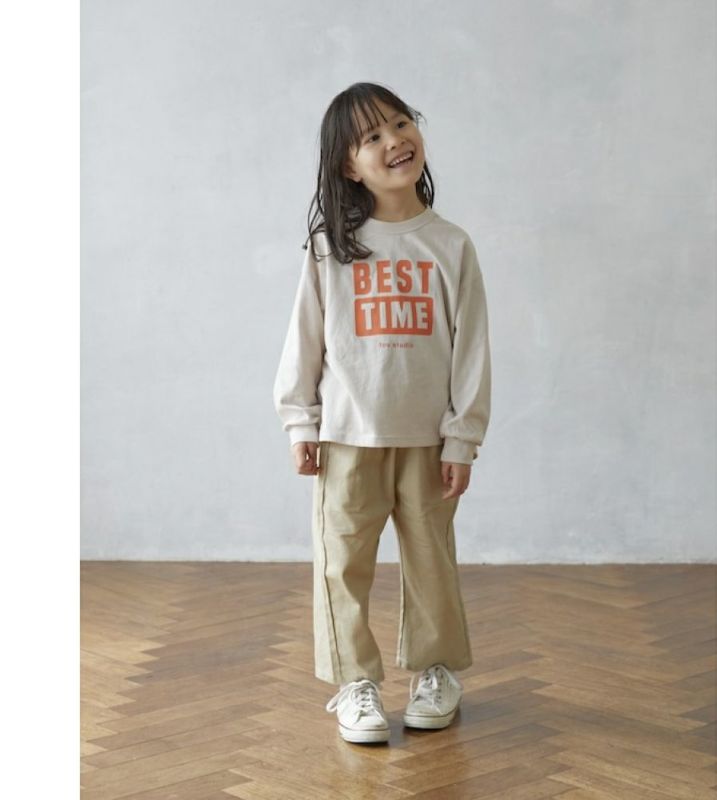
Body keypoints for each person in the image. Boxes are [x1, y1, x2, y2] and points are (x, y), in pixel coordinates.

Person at [273, 82, 491, 745]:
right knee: (341, 563)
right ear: (348, 164)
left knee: (431, 561)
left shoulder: (450, 244)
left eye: (400, 123)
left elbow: (471, 350)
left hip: (428, 440)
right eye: (372, 136)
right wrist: (300, 421)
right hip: (347, 436)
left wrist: (462, 438)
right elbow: (305, 338)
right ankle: (354, 681)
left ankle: (435, 672)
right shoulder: (329, 248)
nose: (394, 140)